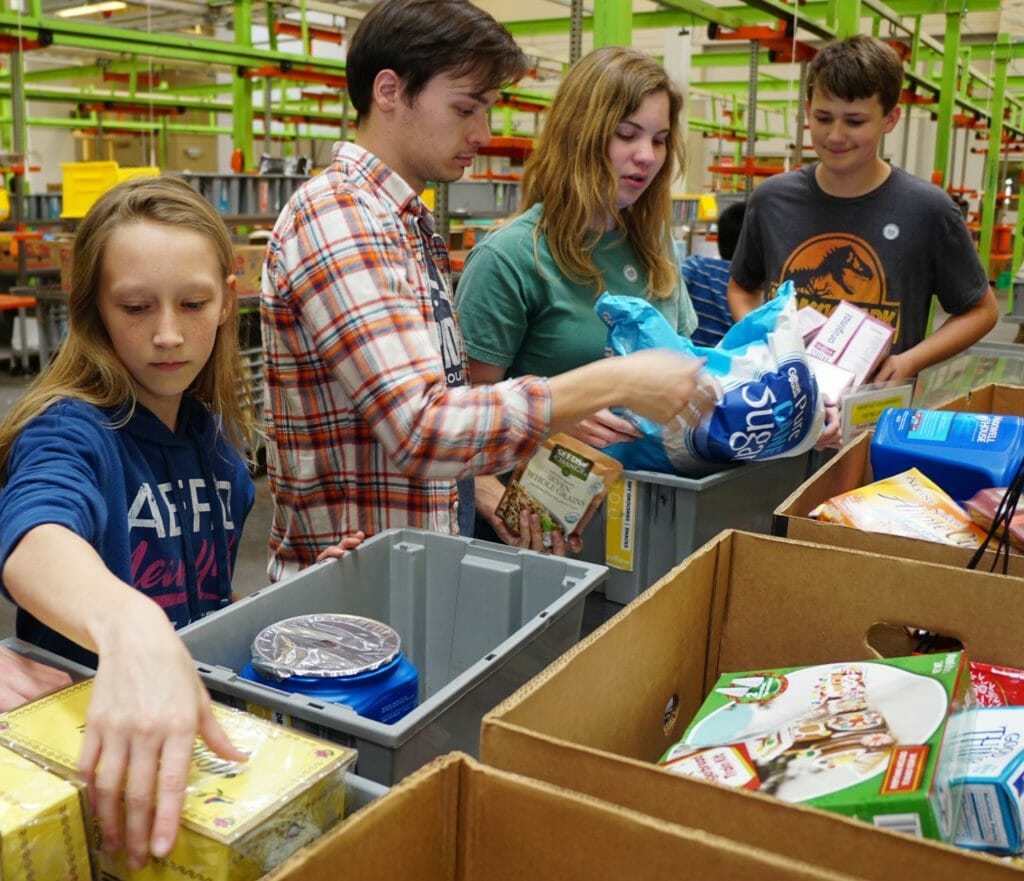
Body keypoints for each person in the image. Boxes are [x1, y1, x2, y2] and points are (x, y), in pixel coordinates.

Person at [262, 0, 714, 574]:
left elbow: (448, 405)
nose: (483, 132)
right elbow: (423, 431)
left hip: (407, 569)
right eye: (466, 108)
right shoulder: (339, 219)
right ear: (389, 91)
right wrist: (607, 382)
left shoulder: (401, 223)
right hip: (354, 599)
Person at [0, 176, 360, 871]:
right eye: (135, 306)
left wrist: (294, 606)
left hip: (185, 763)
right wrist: (128, 624)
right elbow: (36, 536)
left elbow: (200, 610)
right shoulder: (72, 431)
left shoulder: (217, 455)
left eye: (193, 303)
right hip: (90, 770)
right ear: (95, 310)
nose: (167, 333)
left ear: (229, 299)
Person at [454, 46, 698, 546]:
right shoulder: (512, 258)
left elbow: (688, 365)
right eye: (626, 134)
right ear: (579, 135)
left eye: (659, 139)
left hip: (646, 519)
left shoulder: (657, 252)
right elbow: (460, 417)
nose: (647, 156)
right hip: (536, 529)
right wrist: (490, 493)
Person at [726, 34, 998, 443]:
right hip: (785, 413)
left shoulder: (927, 209)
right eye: (822, 117)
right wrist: (772, 345)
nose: (835, 135)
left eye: (854, 121)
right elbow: (741, 287)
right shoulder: (771, 200)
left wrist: (908, 361)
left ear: (890, 118)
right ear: (807, 110)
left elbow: (981, 310)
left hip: (875, 422)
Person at [680, 200, 745, 347]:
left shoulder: (696, 266)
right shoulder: (754, 286)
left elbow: (669, 283)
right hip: (731, 365)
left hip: (691, 360)